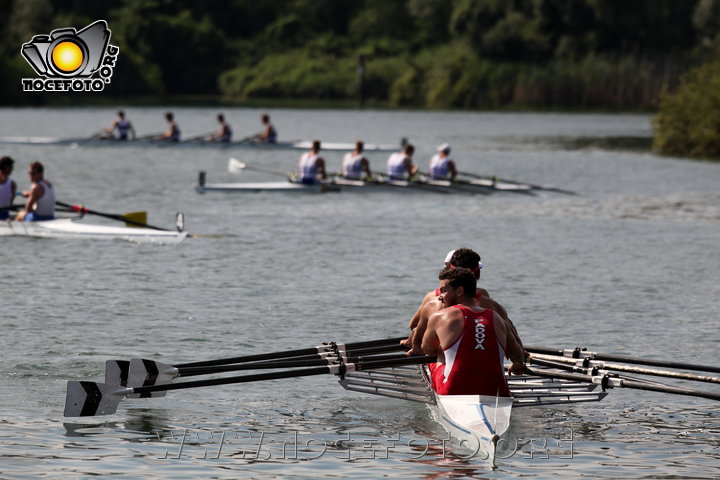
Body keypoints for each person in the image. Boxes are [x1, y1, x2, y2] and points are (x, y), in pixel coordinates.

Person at [421, 267, 527, 396]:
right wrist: (517, 364)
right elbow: (517, 356)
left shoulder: (440, 317)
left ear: (459, 291)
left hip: (454, 390)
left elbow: (427, 349)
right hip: (496, 391)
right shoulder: (497, 318)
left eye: (443, 291)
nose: (440, 297)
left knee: (439, 352)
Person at [404, 248, 523, 355]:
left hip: (440, 356)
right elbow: (510, 330)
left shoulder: (431, 300)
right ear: (476, 275)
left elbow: (413, 326)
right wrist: (521, 354)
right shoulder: (487, 301)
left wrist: (415, 341)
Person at [0, 156, 17, 220]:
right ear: (4, 167)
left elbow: (10, 203)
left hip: (4, 215)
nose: (12, 168)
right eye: (10, 166)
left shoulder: (12, 184)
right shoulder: (13, 184)